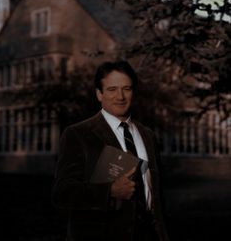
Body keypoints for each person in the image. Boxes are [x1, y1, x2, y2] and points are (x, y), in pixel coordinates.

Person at [52, 61, 169, 241]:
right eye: (112, 89)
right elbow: (63, 193)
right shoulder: (78, 134)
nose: (120, 96)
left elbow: (157, 197)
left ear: (134, 92)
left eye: (126, 89)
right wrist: (110, 191)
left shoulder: (148, 135)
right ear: (99, 94)